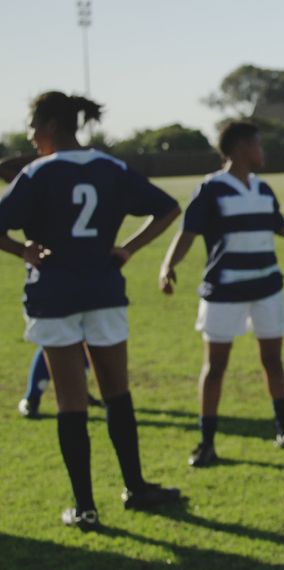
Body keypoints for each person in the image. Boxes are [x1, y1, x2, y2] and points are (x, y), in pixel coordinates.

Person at [0, 91, 183, 530]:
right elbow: (168, 208)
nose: (30, 137)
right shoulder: (110, 167)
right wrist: (128, 250)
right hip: (103, 290)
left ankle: (84, 506)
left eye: (31, 128)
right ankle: (136, 487)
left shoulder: (36, 172)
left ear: (47, 126)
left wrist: (22, 250)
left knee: (70, 403)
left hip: (54, 296)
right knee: (118, 395)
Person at [159, 120, 284, 468]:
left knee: (273, 361)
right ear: (238, 149)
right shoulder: (210, 189)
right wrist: (167, 265)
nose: (263, 151)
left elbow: (282, 227)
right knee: (215, 367)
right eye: (257, 145)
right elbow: (188, 232)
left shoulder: (263, 189)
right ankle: (206, 442)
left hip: (267, 287)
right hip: (224, 291)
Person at [2, 156, 103, 418]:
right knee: (58, 339)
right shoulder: (37, 188)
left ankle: (76, 391)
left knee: (76, 338)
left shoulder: (51, 184)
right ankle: (33, 398)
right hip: (54, 278)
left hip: (78, 276)